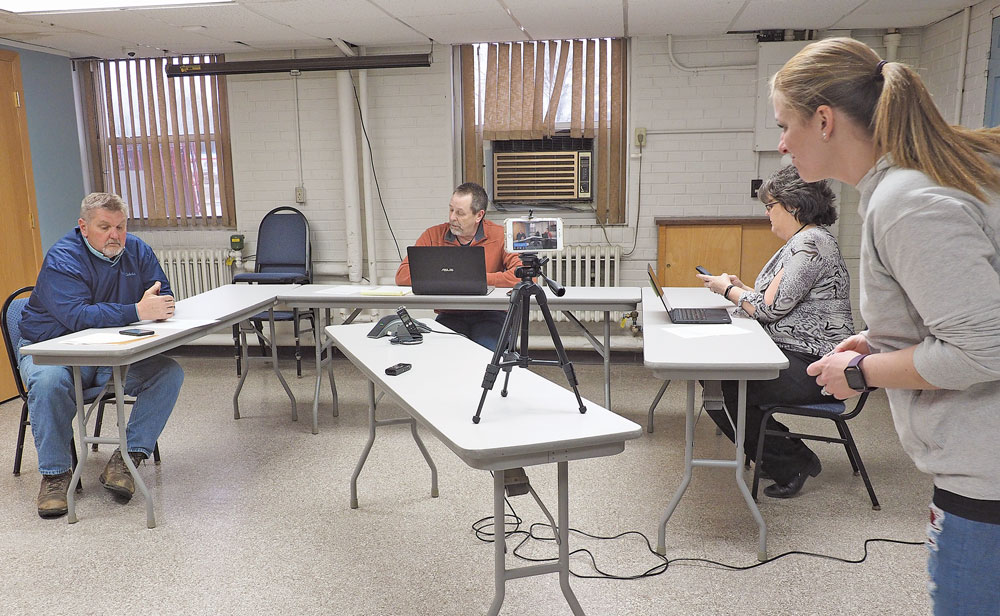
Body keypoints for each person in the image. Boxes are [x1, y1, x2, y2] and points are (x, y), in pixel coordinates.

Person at [771, 37, 1000, 614]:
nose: (781, 144)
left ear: (823, 121)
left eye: (784, 126)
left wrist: (863, 370)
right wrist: (881, 341)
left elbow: (983, 350)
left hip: (986, 472)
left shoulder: (906, 201)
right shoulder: (922, 181)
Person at [18, 192, 184, 519]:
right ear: (83, 227)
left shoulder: (136, 249)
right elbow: (78, 317)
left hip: (110, 354)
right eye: (104, 226)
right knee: (48, 383)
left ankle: (126, 459)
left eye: (121, 226)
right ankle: (55, 475)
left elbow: (162, 295)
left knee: (168, 372)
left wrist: (158, 305)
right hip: (56, 352)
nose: (115, 235)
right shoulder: (62, 257)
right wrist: (136, 310)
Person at [697, 164, 854, 498]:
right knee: (715, 381)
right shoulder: (805, 241)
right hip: (796, 354)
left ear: (793, 205)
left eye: (771, 206)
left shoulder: (810, 244)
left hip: (816, 364)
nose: (767, 214)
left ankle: (793, 460)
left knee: (727, 388)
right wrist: (745, 289)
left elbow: (769, 310)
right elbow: (778, 302)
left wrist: (728, 290)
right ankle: (772, 453)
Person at [395, 182, 521, 350]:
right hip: (450, 315)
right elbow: (402, 275)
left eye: (460, 213)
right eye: (451, 210)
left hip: (491, 314)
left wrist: (476, 279)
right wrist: (459, 278)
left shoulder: (501, 235)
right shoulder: (433, 235)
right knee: (444, 355)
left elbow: (523, 275)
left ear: (479, 216)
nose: (452, 217)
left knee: (484, 355)